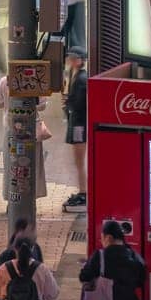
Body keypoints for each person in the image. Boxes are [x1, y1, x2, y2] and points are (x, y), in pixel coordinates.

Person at [62, 49, 88, 210]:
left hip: (79, 124)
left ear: (79, 60)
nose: (69, 61)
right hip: (77, 121)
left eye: (72, 58)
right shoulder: (75, 75)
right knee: (78, 161)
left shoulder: (81, 78)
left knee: (79, 160)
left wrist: (67, 104)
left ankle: (83, 191)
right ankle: (82, 190)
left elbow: (78, 104)